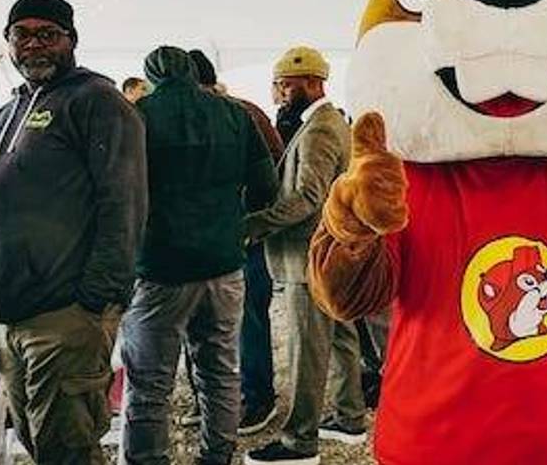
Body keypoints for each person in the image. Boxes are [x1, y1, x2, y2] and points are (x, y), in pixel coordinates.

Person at [0, 0, 146, 464]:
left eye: (47, 34)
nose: (34, 44)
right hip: (9, 320)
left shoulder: (97, 101)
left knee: (69, 449)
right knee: (37, 443)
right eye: (21, 34)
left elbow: (125, 203)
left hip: (66, 316)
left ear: (71, 40)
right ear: (8, 42)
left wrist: (97, 299)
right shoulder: (5, 113)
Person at [120, 47, 278, 465]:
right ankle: (217, 456)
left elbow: (119, 194)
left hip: (159, 267)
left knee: (150, 383)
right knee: (221, 373)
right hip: (225, 264)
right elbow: (267, 186)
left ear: (150, 74)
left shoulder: (137, 115)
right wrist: (232, 218)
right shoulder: (235, 113)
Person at [244, 47, 366, 465]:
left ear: (313, 83)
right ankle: (350, 417)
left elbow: (306, 198)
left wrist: (253, 225)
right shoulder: (328, 122)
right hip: (332, 251)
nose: (278, 93)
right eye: (278, 84)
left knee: (307, 349)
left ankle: (300, 442)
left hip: (308, 256)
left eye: (286, 85)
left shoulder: (319, 130)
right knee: (342, 337)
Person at [186, 49, 285, 434]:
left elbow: (270, 175)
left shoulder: (240, 114)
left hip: (243, 238)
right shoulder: (231, 112)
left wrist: (249, 222)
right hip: (213, 240)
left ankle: (256, 399)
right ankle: (218, 400)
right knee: (208, 325)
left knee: (248, 322)